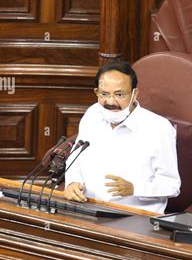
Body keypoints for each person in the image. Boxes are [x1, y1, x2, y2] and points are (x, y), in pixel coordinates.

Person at [64, 60, 181, 214]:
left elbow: (171, 185)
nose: (111, 102)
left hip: (134, 217)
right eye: (104, 94)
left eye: (119, 94)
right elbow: (76, 159)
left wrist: (135, 188)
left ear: (134, 94)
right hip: (87, 210)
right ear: (96, 92)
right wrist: (72, 182)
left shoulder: (158, 128)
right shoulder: (92, 114)